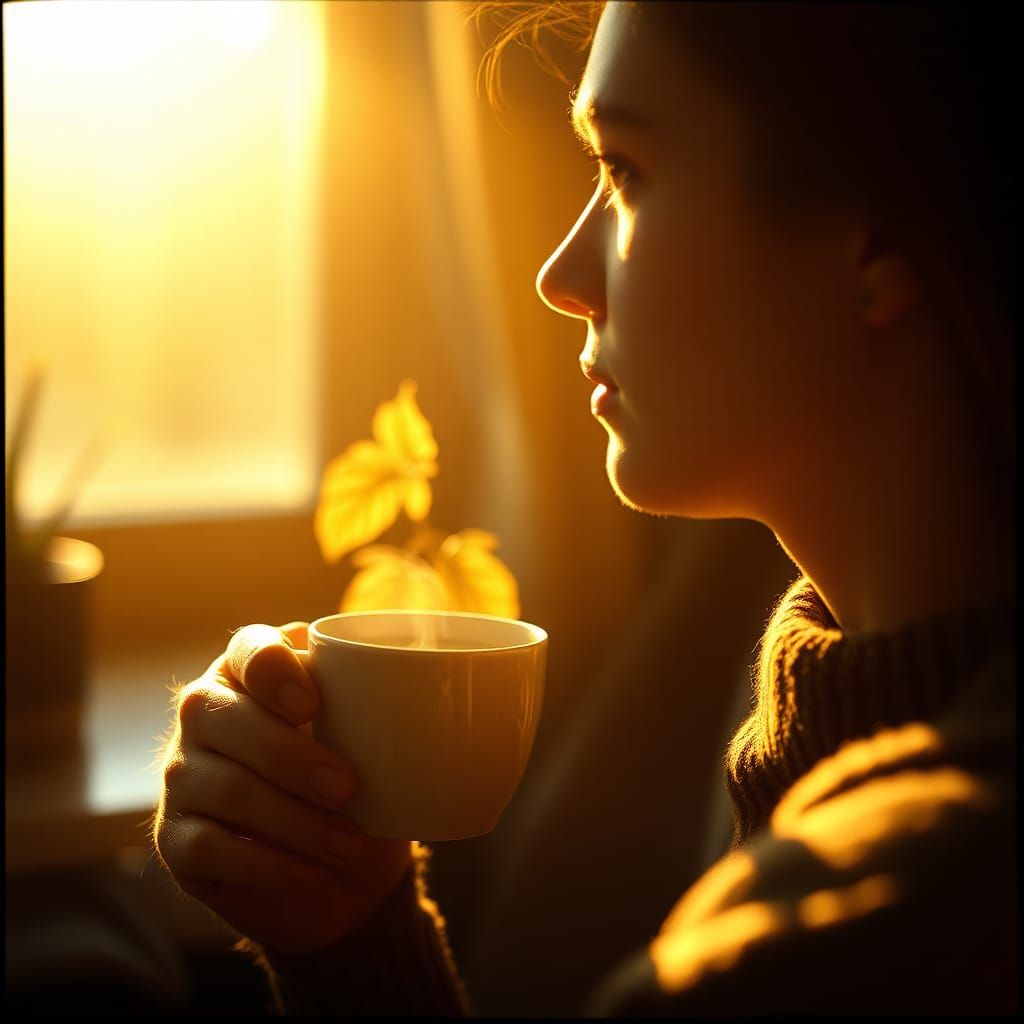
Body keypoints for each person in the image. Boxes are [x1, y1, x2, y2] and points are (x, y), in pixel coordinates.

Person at [152, 1, 1016, 1014]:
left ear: (871, 236)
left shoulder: (823, 954)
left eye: (626, 173)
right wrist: (352, 936)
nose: (560, 277)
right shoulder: (841, 800)